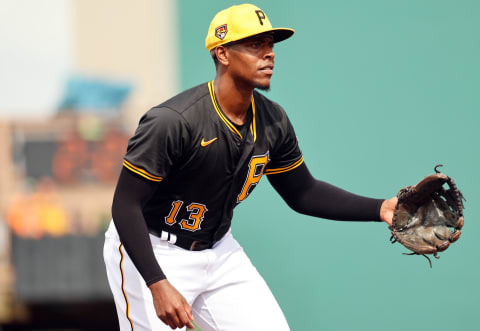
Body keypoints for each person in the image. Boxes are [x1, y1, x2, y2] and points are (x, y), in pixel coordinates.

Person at [103, 4, 397, 331]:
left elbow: (303, 192)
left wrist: (381, 208)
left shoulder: (273, 121)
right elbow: (125, 205)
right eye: (255, 45)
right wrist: (157, 282)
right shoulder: (174, 121)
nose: (269, 54)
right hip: (152, 247)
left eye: (270, 44)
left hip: (219, 252)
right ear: (223, 53)